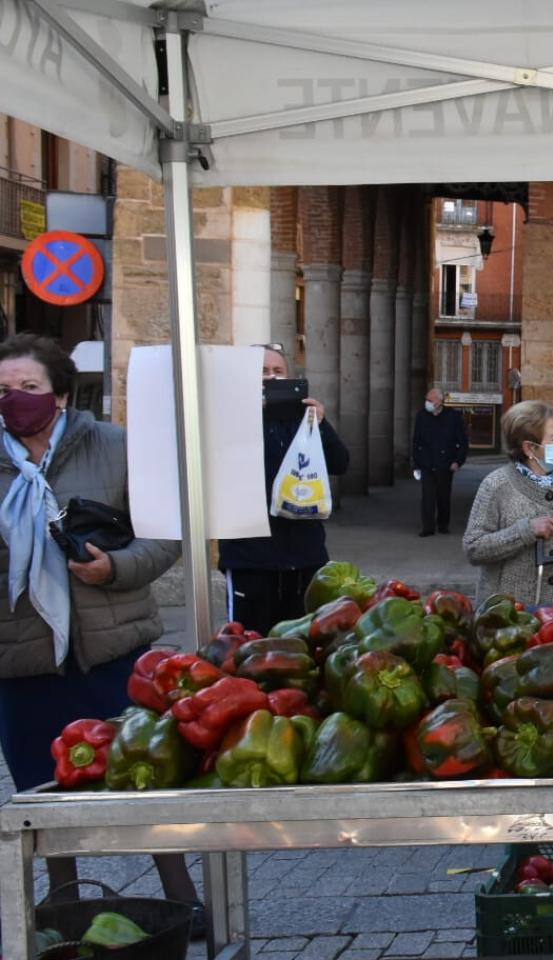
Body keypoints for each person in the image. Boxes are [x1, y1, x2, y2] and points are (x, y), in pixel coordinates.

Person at [0, 334, 201, 921]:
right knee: (41, 790)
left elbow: (165, 536)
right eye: (4, 390)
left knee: (144, 780)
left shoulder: (116, 448)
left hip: (113, 651)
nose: (15, 400)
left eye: (29, 388)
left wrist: (115, 567)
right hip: (22, 657)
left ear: (60, 394)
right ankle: (65, 903)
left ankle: (181, 899)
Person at [218, 345, 349, 633]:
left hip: (304, 556)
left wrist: (322, 424)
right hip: (251, 558)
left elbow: (340, 463)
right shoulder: (230, 419)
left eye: (278, 372)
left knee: (304, 647)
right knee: (247, 645)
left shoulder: (304, 419)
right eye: (263, 372)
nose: (271, 378)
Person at [463, 400, 553, 601]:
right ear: (529, 448)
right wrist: (525, 531)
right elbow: (474, 548)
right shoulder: (497, 485)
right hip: (508, 614)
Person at [413, 387, 468, 537]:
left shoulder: (453, 417)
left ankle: (443, 524)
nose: (427, 403)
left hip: (446, 463)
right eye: (426, 400)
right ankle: (427, 527)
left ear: (438, 402)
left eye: (429, 400)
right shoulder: (422, 416)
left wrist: (458, 461)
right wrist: (416, 464)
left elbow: (462, 442)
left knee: (443, 496)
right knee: (427, 497)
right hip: (427, 463)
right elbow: (416, 441)